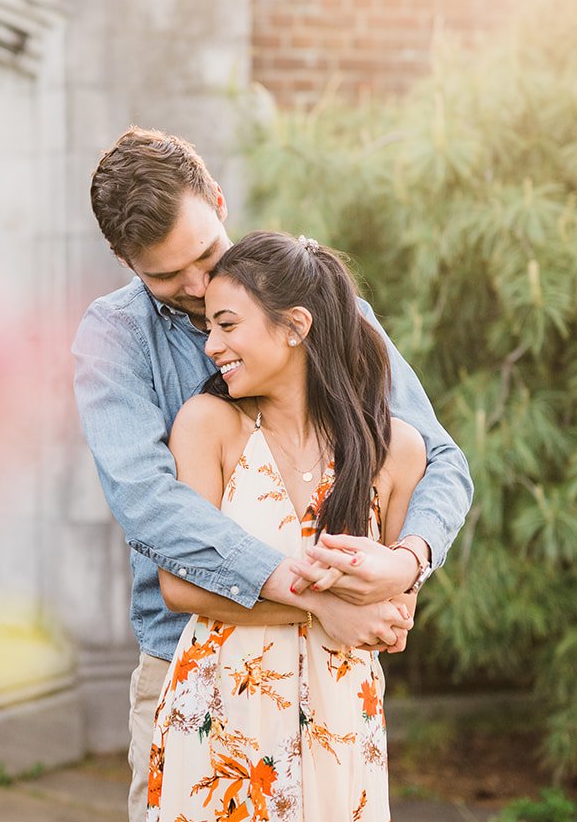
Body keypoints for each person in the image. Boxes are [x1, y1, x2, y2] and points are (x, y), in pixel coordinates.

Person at [71, 127, 472, 822]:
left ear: (220, 200)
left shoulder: (321, 304)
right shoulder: (114, 339)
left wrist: (404, 564)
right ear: (124, 260)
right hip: (192, 665)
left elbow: (437, 459)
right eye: (168, 277)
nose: (196, 289)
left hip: (336, 675)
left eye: (204, 254)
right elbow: (156, 512)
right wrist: (320, 600)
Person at [148, 230, 421, 821]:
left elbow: (394, 615)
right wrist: (323, 607)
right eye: (209, 329)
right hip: (222, 722)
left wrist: (378, 609)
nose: (210, 345)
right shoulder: (207, 426)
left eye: (227, 325)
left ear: (295, 325)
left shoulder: (394, 449)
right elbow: (180, 586)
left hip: (341, 719)